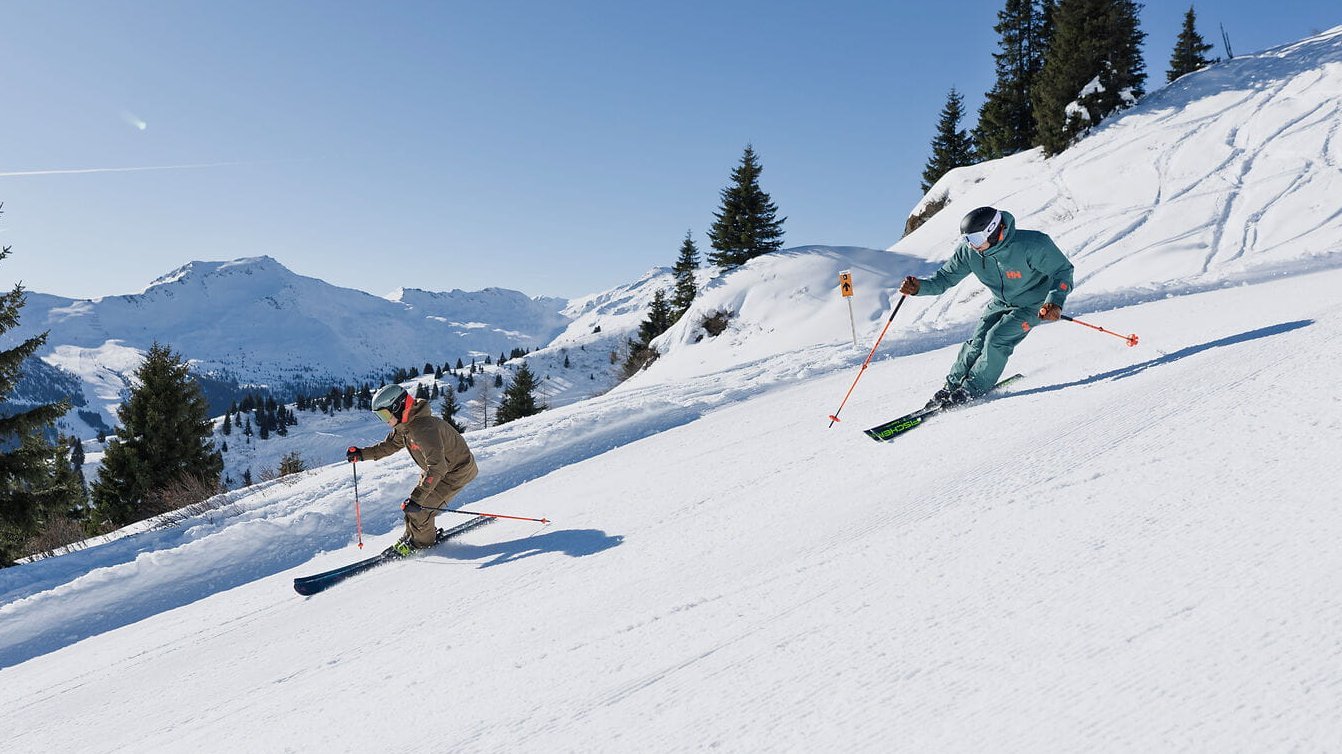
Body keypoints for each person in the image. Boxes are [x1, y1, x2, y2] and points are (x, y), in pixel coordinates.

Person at [899, 206, 1074, 408]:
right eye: (966, 240)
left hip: (1035, 305)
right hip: (1000, 302)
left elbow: (1063, 271)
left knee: (996, 339)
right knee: (977, 343)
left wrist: (1054, 301)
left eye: (974, 240)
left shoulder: (1032, 245)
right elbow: (944, 279)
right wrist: (918, 287)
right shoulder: (970, 252)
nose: (971, 246)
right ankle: (951, 387)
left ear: (994, 231)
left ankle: (971, 389)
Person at [346, 383, 478, 556]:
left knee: (420, 508)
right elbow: (389, 445)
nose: (385, 420)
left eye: (384, 414)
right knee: (413, 507)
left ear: (397, 406)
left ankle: (422, 545)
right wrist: (363, 454)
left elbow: (438, 467)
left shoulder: (423, 429)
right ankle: (413, 536)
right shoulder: (406, 425)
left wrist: (417, 499)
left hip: (455, 471)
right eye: (380, 416)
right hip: (438, 469)